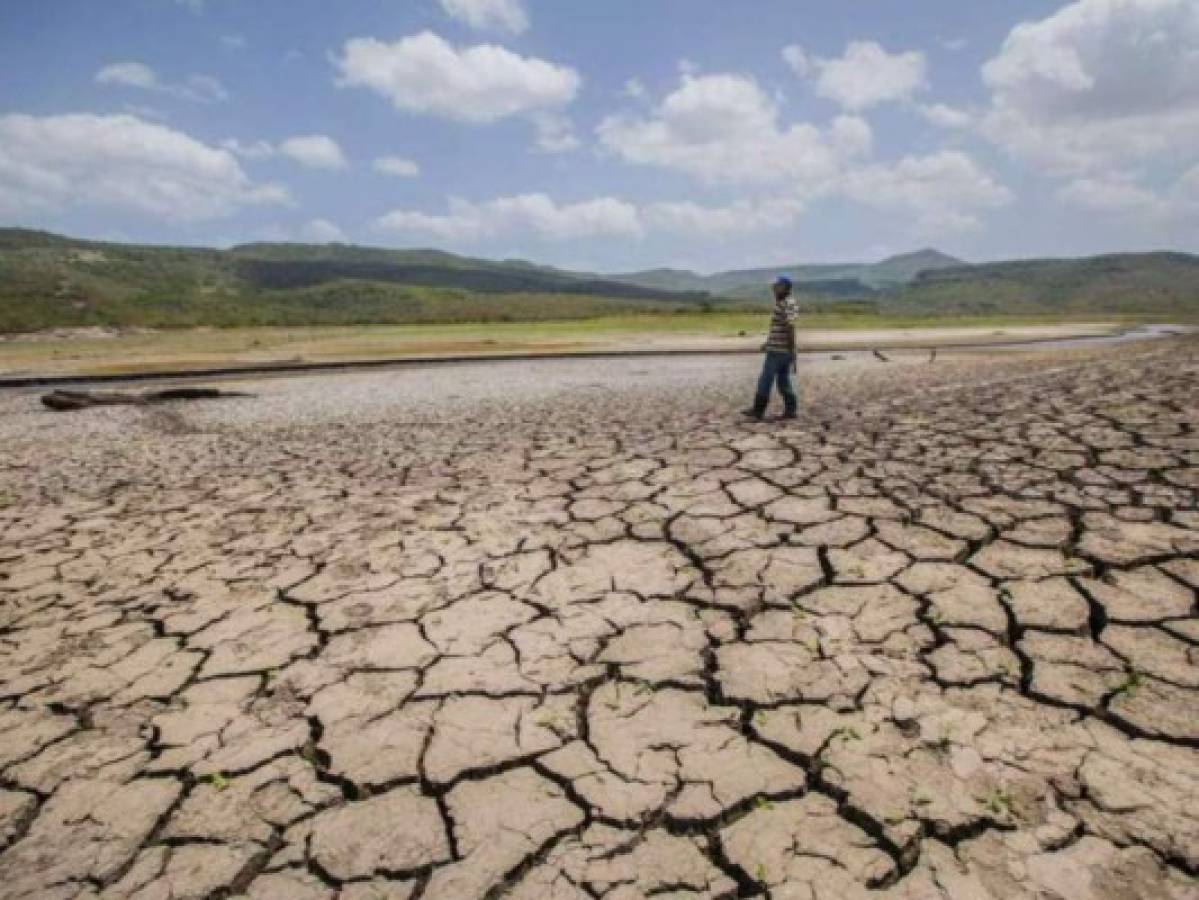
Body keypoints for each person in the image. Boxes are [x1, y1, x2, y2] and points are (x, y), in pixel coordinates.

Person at [743, 275, 800, 421]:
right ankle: (791, 410)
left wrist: (792, 348)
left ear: (785, 287)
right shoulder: (784, 302)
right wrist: (768, 343)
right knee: (783, 382)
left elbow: (790, 326)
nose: (773, 288)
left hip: (779, 351)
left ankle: (758, 411)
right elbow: (779, 327)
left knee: (765, 380)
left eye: (777, 285)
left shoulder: (786, 303)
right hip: (778, 349)